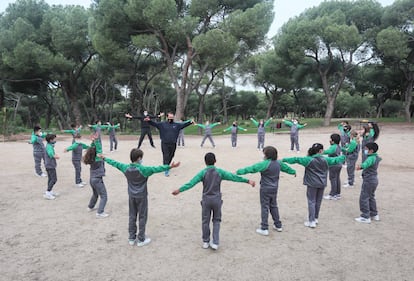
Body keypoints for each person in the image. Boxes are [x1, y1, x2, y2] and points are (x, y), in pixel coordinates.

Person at [172, 152, 255, 250]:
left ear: (205, 162)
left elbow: (191, 183)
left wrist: (179, 190)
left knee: (205, 221)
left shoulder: (202, 173)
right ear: (215, 161)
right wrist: (247, 181)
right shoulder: (220, 172)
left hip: (206, 199)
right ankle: (215, 242)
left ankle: (206, 241)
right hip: (217, 199)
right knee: (217, 220)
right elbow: (233, 177)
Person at [99, 148, 180, 246]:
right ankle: (141, 238)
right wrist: (170, 167)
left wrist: (105, 158)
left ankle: (131, 237)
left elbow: (115, 163)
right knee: (142, 216)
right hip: (142, 196)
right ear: (139, 158)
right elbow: (157, 168)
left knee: (132, 216)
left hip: (131, 195)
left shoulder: (125, 167)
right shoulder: (144, 169)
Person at [282, 143, 345, 228]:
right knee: (318, 201)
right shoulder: (326, 160)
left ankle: (311, 220)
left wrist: (284, 159)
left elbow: (296, 159)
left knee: (311, 201)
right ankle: (315, 218)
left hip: (312, 183)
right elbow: (336, 159)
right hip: (322, 183)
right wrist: (345, 155)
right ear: (321, 151)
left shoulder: (308, 160)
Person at [236, 146, 296, 235]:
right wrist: (293, 171)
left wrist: (239, 172)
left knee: (265, 207)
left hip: (265, 188)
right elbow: (287, 168)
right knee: (274, 206)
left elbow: (252, 168)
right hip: (274, 188)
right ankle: (278, 225)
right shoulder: (279, 163)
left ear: (267, 155)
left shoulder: (264, 164)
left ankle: (264, 227)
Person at [145, 112, 193, 176]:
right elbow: (155, 124)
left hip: (173, 144)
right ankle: (166, 169)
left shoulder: (177, 125)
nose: (171, 118)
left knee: (171, 155)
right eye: (170, 117)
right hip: (165, 143)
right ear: (167, 117)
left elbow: (183, 125)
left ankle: (166, 166)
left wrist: (190, 122)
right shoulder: (162, 124)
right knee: (166, 156)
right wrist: (149, 121)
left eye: (172, 117)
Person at [355, 142, 381, 224]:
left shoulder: (371, 158)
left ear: (371, 150)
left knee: (364, 197)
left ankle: (365, 216)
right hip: (374, 180)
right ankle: (374, 214)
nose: (365, 150)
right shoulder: (375, 157)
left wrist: (360, 167)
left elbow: (366, 164)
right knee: (371, 197)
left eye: (366, 149)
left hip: (369, 180)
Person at [83, 135, 109, 218]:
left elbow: (92, 149)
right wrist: (96, 141)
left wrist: (93, 141)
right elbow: (99, 149)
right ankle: (100, 212)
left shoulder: (91, 158)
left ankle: (90, 206)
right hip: (97, 180)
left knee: (95, 194)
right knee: (104, 196)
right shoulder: (98, 159)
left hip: (92, 179)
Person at [322, 134, 343, 200]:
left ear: (333, 141)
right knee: (337, 179)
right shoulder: (338, 146)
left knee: (333, 179)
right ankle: (337, 193)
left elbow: (329, 151)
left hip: (334, 165)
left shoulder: (333, 146)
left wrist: (320, 152)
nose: (329, 140)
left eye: (330, 139)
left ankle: (332, 194)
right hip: (339, 164)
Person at [43, 134, 60, 200]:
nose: (55, 140)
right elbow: (50, 154)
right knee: (54, 179)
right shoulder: (49, 146)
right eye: (54, 139)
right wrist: (56, 156)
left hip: (49, 165)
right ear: (51, 140)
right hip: (50, 166)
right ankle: (47, 192)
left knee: (50, 179)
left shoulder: (49, 145)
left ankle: (50, 191)